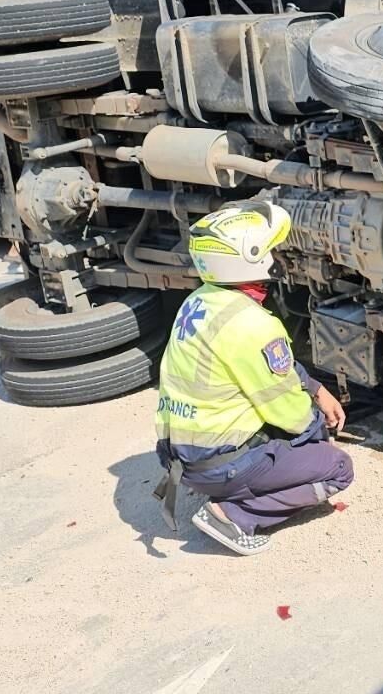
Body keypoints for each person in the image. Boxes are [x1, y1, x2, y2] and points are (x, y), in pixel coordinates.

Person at [151, 201, 353, 556]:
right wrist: (318, 438)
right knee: (337, 469)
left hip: (181, 457)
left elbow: (274, 368)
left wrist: (316, 388)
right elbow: (291, 415)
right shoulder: (253, 325)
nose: (277, 255)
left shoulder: (200, 301)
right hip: (219, 465)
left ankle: (234, 488)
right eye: (271, 249)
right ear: (250, 258)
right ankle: (233, 514)